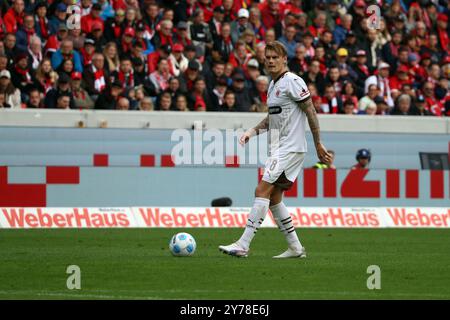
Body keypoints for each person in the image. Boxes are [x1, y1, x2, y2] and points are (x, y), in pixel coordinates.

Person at [219, 41, 332, 258]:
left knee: (261, 190)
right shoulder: (272, 86)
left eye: (275, 57)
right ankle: (295, 247)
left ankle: (243, 244)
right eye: (267, 57)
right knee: (274, 198)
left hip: (290, 148)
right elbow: (273, 117)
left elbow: (311, 111)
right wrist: (252, 131)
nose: (270, 60)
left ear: (284, 60)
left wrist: (318, 143)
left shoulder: (293, 82)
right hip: (281, 148)